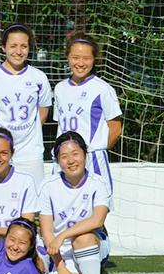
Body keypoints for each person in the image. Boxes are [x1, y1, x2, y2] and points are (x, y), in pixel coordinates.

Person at [38, 131, 111, 274]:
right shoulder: (48, 187)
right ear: (57, 161)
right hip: (58, 251)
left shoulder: (98, 183)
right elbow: (47, 232)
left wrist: (63, 235)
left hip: (89, 242)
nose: (71, 160)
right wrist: (60, 267)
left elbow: (98, 219)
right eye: (64, 156)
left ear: (85, 155)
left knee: (83, 238)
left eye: (75, 154)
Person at [0, 23, 53, 181]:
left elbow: (43, 109)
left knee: (33, 201)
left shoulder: (39, 77)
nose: (18, 51)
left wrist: (30, 133)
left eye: (24, 46)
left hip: (30, 153)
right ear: (3, 47)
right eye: (13, 46)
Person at [52, 32, 122, 191]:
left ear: (94, 59)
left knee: (95, 210)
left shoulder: (103, 89)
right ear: (68, 57)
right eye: (75, 57)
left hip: (93, 160)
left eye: (86, 58)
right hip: (63, 160)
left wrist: (94, 150)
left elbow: (116, 128)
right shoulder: (59, 89)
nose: (80, 63)